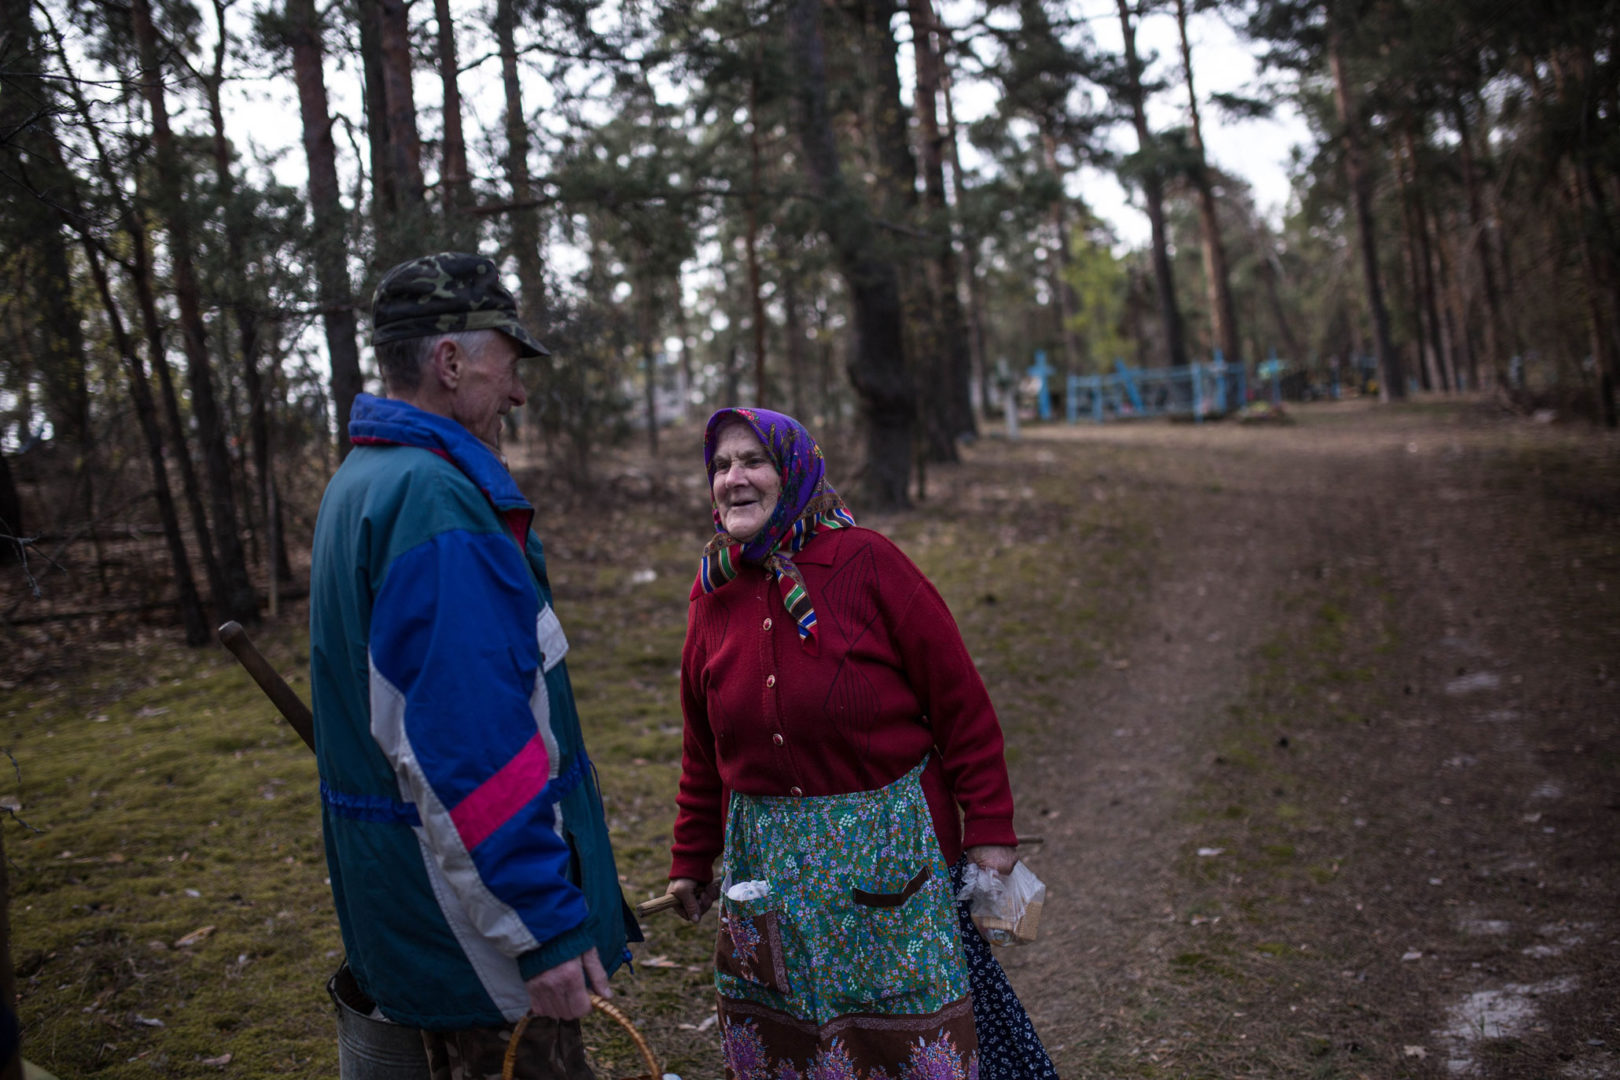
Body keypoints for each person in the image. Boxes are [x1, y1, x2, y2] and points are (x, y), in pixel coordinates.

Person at [309, 252, 639, 1078]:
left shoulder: (364, 479)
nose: (519, 392)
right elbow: (469, 747)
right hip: (479, 940)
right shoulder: (431, 502)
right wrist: (542, 928)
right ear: (450, 362)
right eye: (507, 363)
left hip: (427, 914)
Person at [665, 407, 1056, 1079]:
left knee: (910, 1047)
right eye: (721, 466)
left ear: (793, 471)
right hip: (770, 874)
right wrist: (691, 858)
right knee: (790, 1048)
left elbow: (959, 705)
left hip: (891, 861)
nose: (735, 478)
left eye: (752, 461)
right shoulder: (712, 595)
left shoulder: (867, 563)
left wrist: (989, 828)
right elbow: (704, 750)